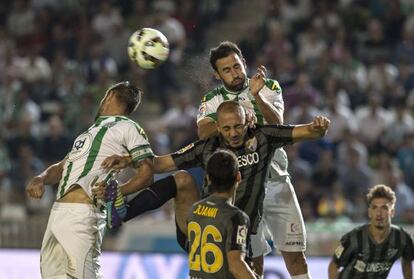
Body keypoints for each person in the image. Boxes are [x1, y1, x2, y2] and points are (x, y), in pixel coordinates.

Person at [103, 100, 330, 276]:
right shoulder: (207, 146)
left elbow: (307, 131)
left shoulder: (263, 137)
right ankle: (124, 212)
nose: (233, 133)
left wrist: (318, 126)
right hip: (213, 233)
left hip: (229, 237)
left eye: (238, 126)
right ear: (218, 128)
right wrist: (129, 160)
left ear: (247, 121)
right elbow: (161, 163)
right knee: (181, 178)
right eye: (227, 128)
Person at [26, 81, 198, 278]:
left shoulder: (128, 127)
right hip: (57, 214)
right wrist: (40, 178)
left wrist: (118, 191)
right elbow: (62, 167)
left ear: (108, 97)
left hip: (83, 214)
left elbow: (147, 174)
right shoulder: (88, 133)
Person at [197, 41, 311, 278]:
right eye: (227, 70)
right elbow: (203, 132)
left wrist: (257, 97)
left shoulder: (267, 86)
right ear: (217, 75)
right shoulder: (212, 99)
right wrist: (236, 120)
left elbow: (278, 124)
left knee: (296, 257)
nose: (235, 73)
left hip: (276, 181)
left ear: (244, 64)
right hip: (243, 188)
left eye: (237, 66)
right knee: (252, 261)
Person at [188, 149, 257, 279]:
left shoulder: (194, 209)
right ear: (238, 177)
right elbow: (236, 265)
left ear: (208, 178)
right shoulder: (236, 217)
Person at [328, 184, 414, 279]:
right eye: (374, 208)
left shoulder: (403, 238)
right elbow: (333, 265)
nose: (378, 213)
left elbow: (407, 263)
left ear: (392, 212)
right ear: (369, 212)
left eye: (384, 208)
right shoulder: (353, 238)